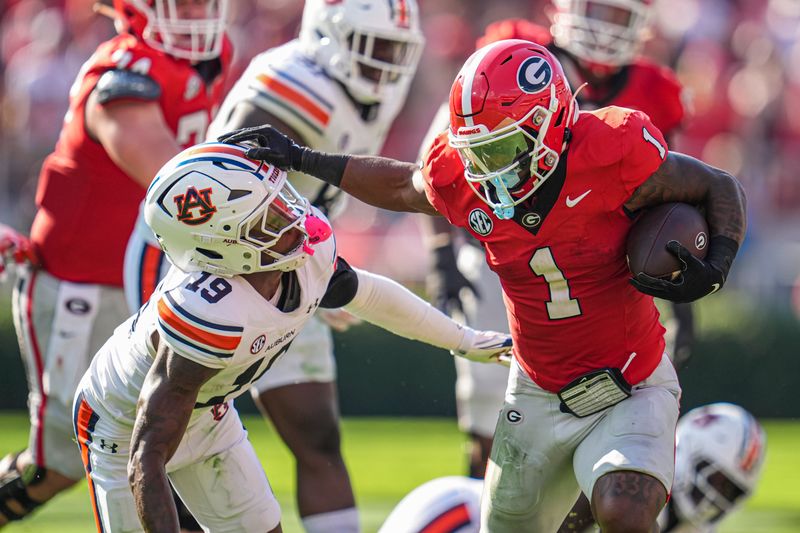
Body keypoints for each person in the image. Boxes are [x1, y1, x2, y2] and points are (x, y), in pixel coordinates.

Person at [219, 37, 747, 532]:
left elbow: (718, 186)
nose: (485, 169)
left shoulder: (612, 149)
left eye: (500, 149)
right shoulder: (467, 179)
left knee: (624, 507)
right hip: (538, 388)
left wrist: (716, 265)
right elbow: (406, 184)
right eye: (476, 151)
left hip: (631, 380)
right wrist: (304, 159)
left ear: (551, 123)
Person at [72, 142, 512, 533]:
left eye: (280, 203)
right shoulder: (206, 313)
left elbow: (369, 294)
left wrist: (466, 341)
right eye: (268, 219)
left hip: (208, 411)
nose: (293, 221)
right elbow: (146, 454)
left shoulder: (301, 258)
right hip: (122, 426)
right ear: (220, 248)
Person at [132, 1, 418, 530]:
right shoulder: (292, 85)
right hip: (217, 269)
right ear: (330, 37)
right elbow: (219, 185)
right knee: (178, 437)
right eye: (375, 47)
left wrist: (319, 266)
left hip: (290, 261)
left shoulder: (363, 90)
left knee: (318, 435)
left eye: (396, 50)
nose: (387, 63)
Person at [419, 0, 692, 478]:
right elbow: (437, 154)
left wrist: (680, 280)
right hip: (502, 249)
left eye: (618, 15)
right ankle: (478, 490)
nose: (604, 29)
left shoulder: (654, 89)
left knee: (611, 404)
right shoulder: (513, 54)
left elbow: (669, 192)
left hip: (597, 265)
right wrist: (441, 252)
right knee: (488, 401)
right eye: (597, 10)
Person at [0, 0, 230, 526]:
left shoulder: (202, 63)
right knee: (56, 466)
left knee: (164, 439)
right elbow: (184, 185)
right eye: (184, 3)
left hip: (146, 289)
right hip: (80, 289)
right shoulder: (125, 74)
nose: (198, 14)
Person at [379, 403, 766, 533]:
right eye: (715, 480)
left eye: (729, 491)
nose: (716, 497)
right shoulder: (626, 482)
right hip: (461, 516)